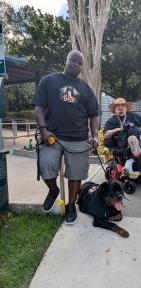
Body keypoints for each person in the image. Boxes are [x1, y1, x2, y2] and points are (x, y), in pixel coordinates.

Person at [32, 50, 100, 225]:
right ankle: (53, 190)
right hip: (52, 136)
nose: (75, 65)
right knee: (45, 165)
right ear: (66, 60)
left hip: (78, 139)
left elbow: (94, 115)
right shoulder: (49, 81)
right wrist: (43, 130)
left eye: (79, 63)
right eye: (73, 61)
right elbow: (39, 107)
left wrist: (94, 136)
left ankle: (71, 206)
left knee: (75, 175)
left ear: (81, 67)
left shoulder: (85, 89)